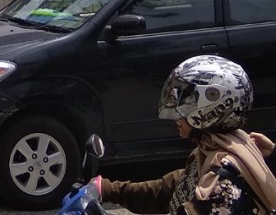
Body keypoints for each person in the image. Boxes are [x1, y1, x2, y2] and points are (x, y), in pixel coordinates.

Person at [90, 55, 276, 214]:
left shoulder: (221, 184)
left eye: (187, 104)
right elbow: (169, 189)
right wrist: (108, 189)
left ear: (211, 108)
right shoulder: (215, 149)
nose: (177, 113)